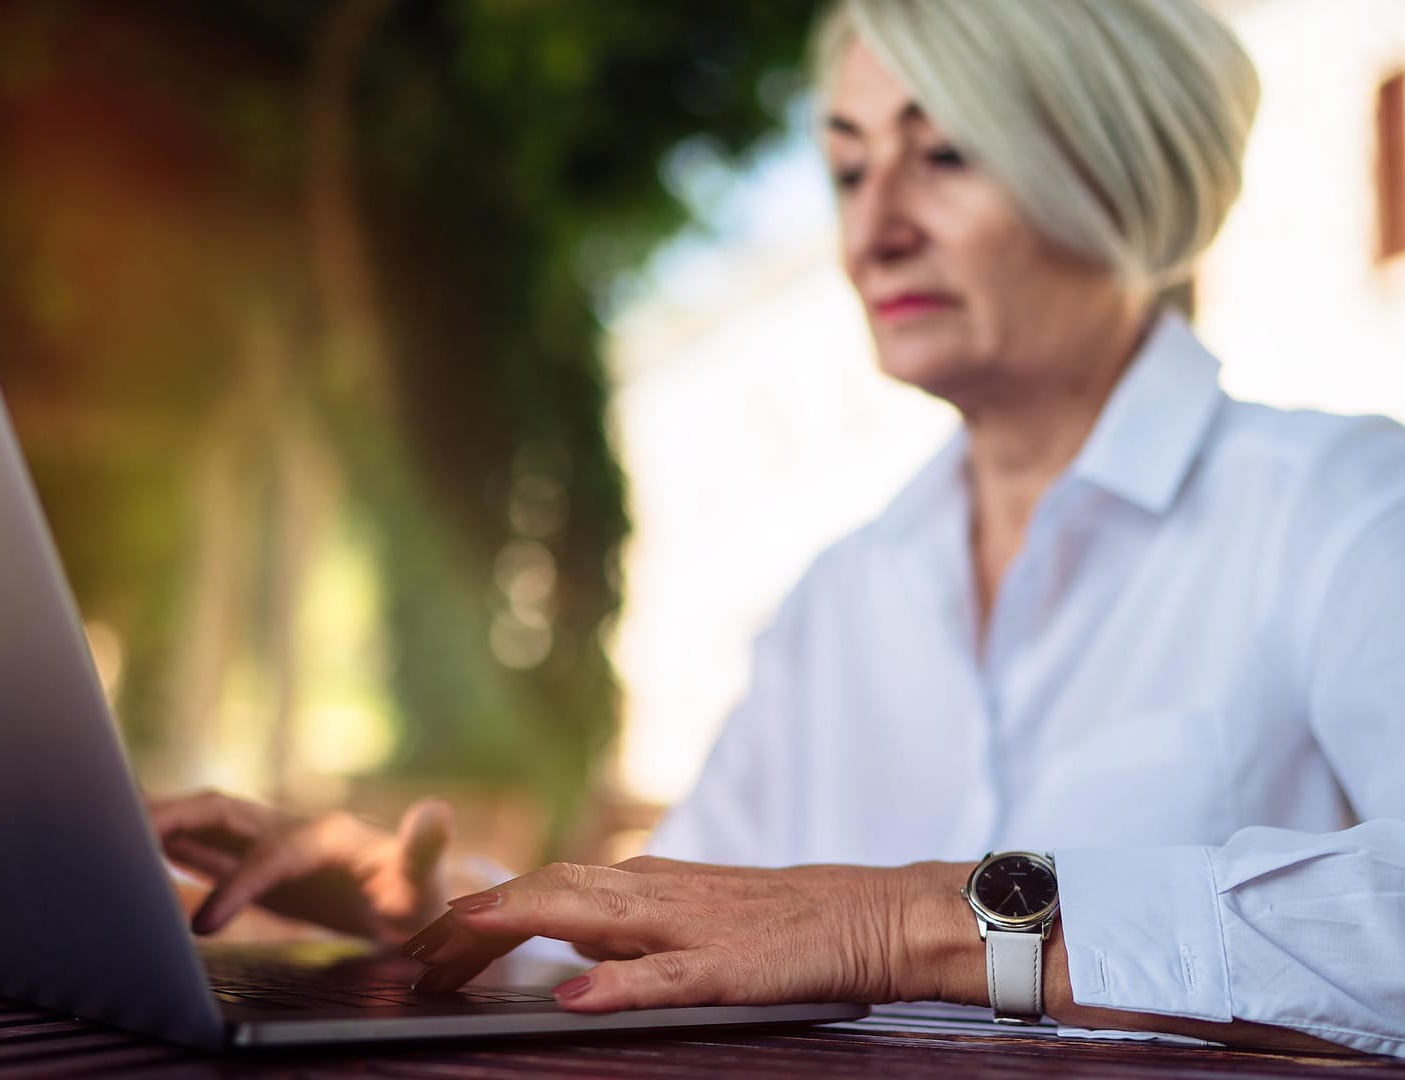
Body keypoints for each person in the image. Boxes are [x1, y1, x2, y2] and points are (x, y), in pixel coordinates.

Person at [152, 0, 1405, 1056]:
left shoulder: (1346, 506)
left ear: (1118, 163)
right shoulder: (839, 601)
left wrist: (897, 921)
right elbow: (688, 931)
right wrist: (422, 910)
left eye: (948, 154)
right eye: (850, 166)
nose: (874, 227)